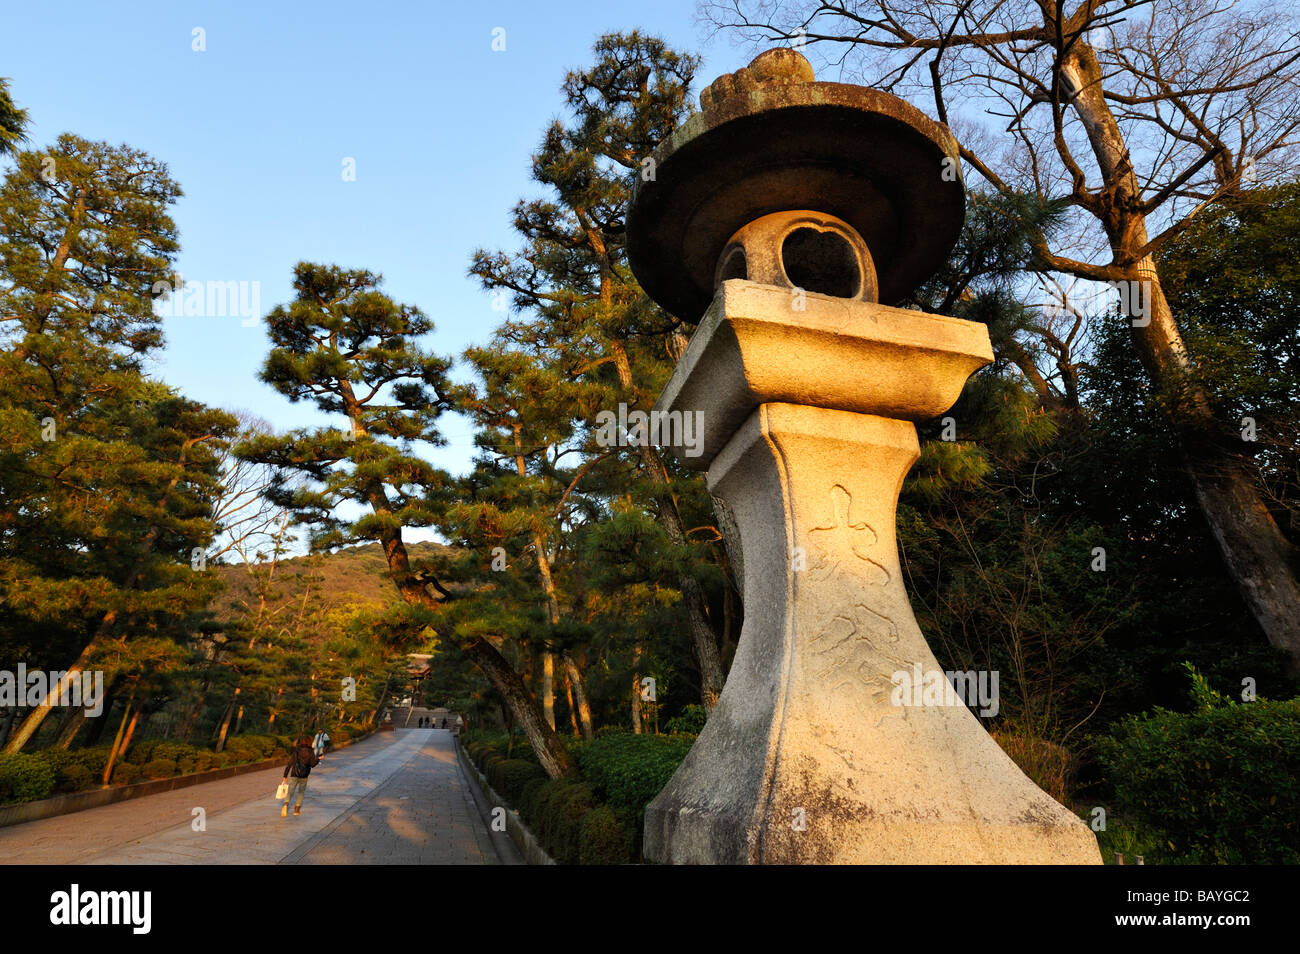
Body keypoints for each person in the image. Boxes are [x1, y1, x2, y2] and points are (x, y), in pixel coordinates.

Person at [281, 736, 320, 818]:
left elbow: (289, 763)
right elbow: (312, 764)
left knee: (290, 791)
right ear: (309, 742)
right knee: (301, 792)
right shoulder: (311, 752)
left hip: (294, 774)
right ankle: (296, 810)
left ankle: (285, 805)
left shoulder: (297, 751)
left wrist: (285, 776)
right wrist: (318, 759)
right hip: (304, 775)